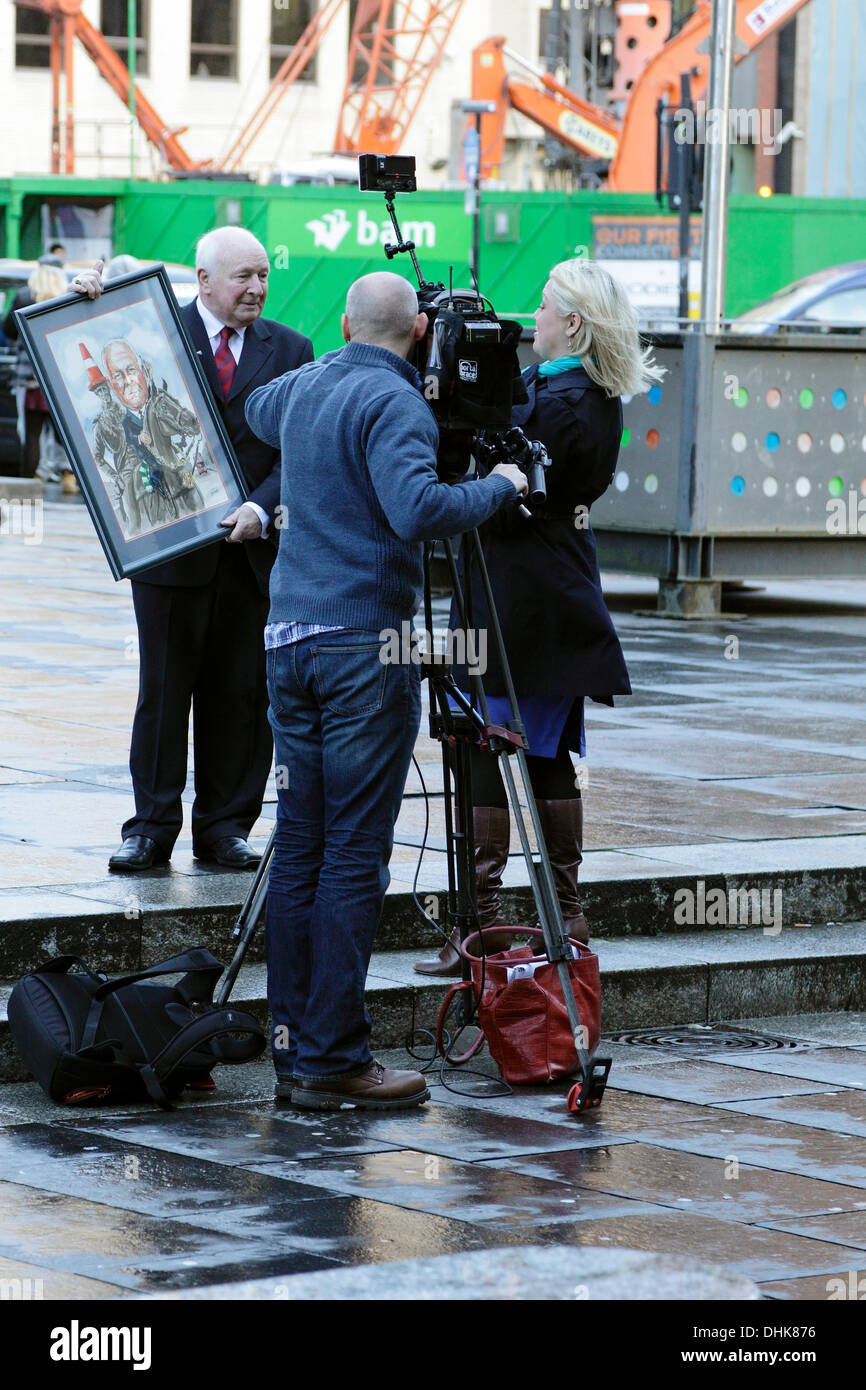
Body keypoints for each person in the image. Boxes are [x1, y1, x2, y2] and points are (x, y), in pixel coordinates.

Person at [245, 270, 528, 1110]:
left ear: (342, 323)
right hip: (364, 647)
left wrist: (335, 366)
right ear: (418, 335)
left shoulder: (308, 388)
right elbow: (416, 510)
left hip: (289, 643)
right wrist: (501, 487)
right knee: (352, 855)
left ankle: (295, 1050)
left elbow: (260, 408)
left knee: (300, 844)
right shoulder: (397, 402)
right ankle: (334, 1059)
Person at [416, 257, 664, 975]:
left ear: (575, 323)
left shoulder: (568, 402)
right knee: (540, 755)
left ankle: (486, 930)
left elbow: (503, 470)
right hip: (531, 599)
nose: (535, 318)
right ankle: (556, 920)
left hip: (528, 605)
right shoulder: (564, 389)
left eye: (547, 306)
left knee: (497, 753)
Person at [70, 228, 314, 872]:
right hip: (171, 553)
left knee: (240, 694)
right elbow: (78, 354)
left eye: (264, 275)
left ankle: (225, 827)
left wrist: (262, 509)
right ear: (204, 281)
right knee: (164, 691)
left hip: (254, 553)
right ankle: (150, 827)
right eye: (243, 277)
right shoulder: (151, 333)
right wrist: (84, 302)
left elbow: (297, 450)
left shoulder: (291, 349)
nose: (257, 287)